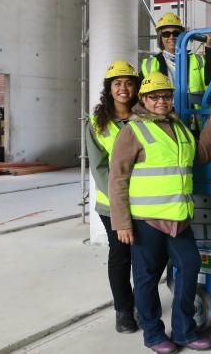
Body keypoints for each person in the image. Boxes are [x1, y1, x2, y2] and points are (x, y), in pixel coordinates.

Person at [108, 71, 211, 354]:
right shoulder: (132, 131)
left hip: (179, 218)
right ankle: (153, 334)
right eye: (154, 96)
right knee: (147, 279)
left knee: (189, 266)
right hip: (146, 221)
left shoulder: (181, 127)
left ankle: (185, 330)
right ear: (144, 99)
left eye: (166, 95)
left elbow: (198, 156)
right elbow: (117, 179)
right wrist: (121, 223)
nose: (161, 101)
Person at [86, 60, 140, 334]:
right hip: (112, 206)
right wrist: (121, 202)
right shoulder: (98, 124)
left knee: (147, 256)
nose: (123, 88)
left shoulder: (144, 117)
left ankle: (142, 301)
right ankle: (123, 309)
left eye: (128, 82)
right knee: (121, 256)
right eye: (117, 83)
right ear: (109, 89)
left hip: (146, 201)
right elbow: (99, 167)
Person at [140, 12, 211, 102]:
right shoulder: (149, 65)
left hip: (193, 114)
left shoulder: (198, 60)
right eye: (166, 34)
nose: (171, 37)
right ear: (160, 38)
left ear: (183, 36)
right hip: (165, 113)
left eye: (176, 33)